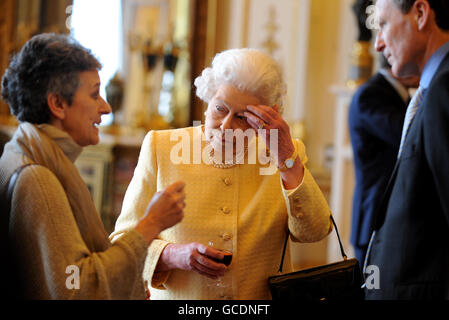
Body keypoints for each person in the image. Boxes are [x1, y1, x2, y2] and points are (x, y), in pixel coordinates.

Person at [111, 48, 333, 300]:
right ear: (208, 99)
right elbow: (123, 242)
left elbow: (314, 231)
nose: (227, 125)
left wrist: (286, 158)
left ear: (267, 116)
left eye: (242, 116)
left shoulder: (283, 154)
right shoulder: (161, 148)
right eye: (220, 108)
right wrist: (173, 255)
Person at [0, 33, 185, 300]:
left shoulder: (24, 153)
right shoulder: (38, 178)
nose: (106, 107)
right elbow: (77, 287)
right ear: (58, 104)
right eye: (94, 94)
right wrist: (151, 223)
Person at [364, 0, 449, 299]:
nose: (378, 44)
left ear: (421, 14)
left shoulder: (444, 89)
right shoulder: (432, 89)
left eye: (384, 24)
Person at [348, 55, 419, 265]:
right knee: (372, 291)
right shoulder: (370, 94)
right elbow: (405, 135)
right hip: (375, 215)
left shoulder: (400, 95)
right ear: (396, 61)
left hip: (394, 218)